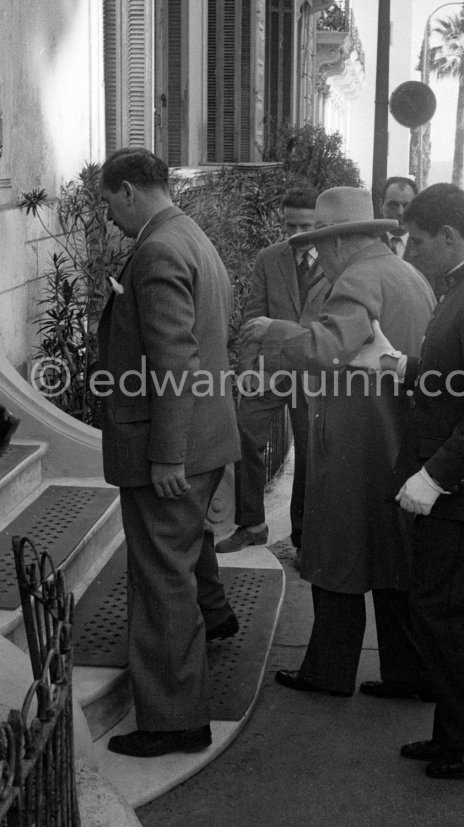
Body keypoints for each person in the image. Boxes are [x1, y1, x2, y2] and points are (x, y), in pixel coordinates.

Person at [357, 183, 464, 779]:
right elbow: (460, 378)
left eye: (420, 242)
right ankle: (461, 730)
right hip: (463, 496)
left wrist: (433, 477)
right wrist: (405, 367)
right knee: (450, 611)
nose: (412, 254)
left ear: (450, 237)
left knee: (448, 613)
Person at [240, 186, 436, 697]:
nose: (316, 255)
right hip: (398, 440)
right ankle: (407, 672)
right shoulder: (407, 274)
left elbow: (325, 348)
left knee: (335, 555)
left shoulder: (358, 279)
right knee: (393, 563)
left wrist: (270, 331)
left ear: (343, 243)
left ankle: (328, 671)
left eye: (321, 245)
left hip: (355, 440)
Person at [96, 148, 241, 758]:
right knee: (180, 564)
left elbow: (174, 362)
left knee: (160, 581)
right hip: (206, 435)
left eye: (109, 204)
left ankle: (174, 722)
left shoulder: (157, 249)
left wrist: (166, 456)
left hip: (176, 445)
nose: (110, 218)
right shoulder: (190, 236)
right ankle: (212, 630)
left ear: (129, 191)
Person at [215, 188, 329, 561]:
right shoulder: (269, 258)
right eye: (290, 224)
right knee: (245, 436)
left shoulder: (336, 260)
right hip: (270, 369)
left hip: (314, 371)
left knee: (312, 454)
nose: (297, 233)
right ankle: (252, 526)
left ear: (319, 224)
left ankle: (305, 539)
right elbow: (253, 316)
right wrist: (246, 371)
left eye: (306, 225)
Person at [379, 176, 418, 259]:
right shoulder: (371, 243)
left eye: (407, 206)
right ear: (381, 206)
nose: (400, 212)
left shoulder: (423, 246)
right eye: (393, 206)